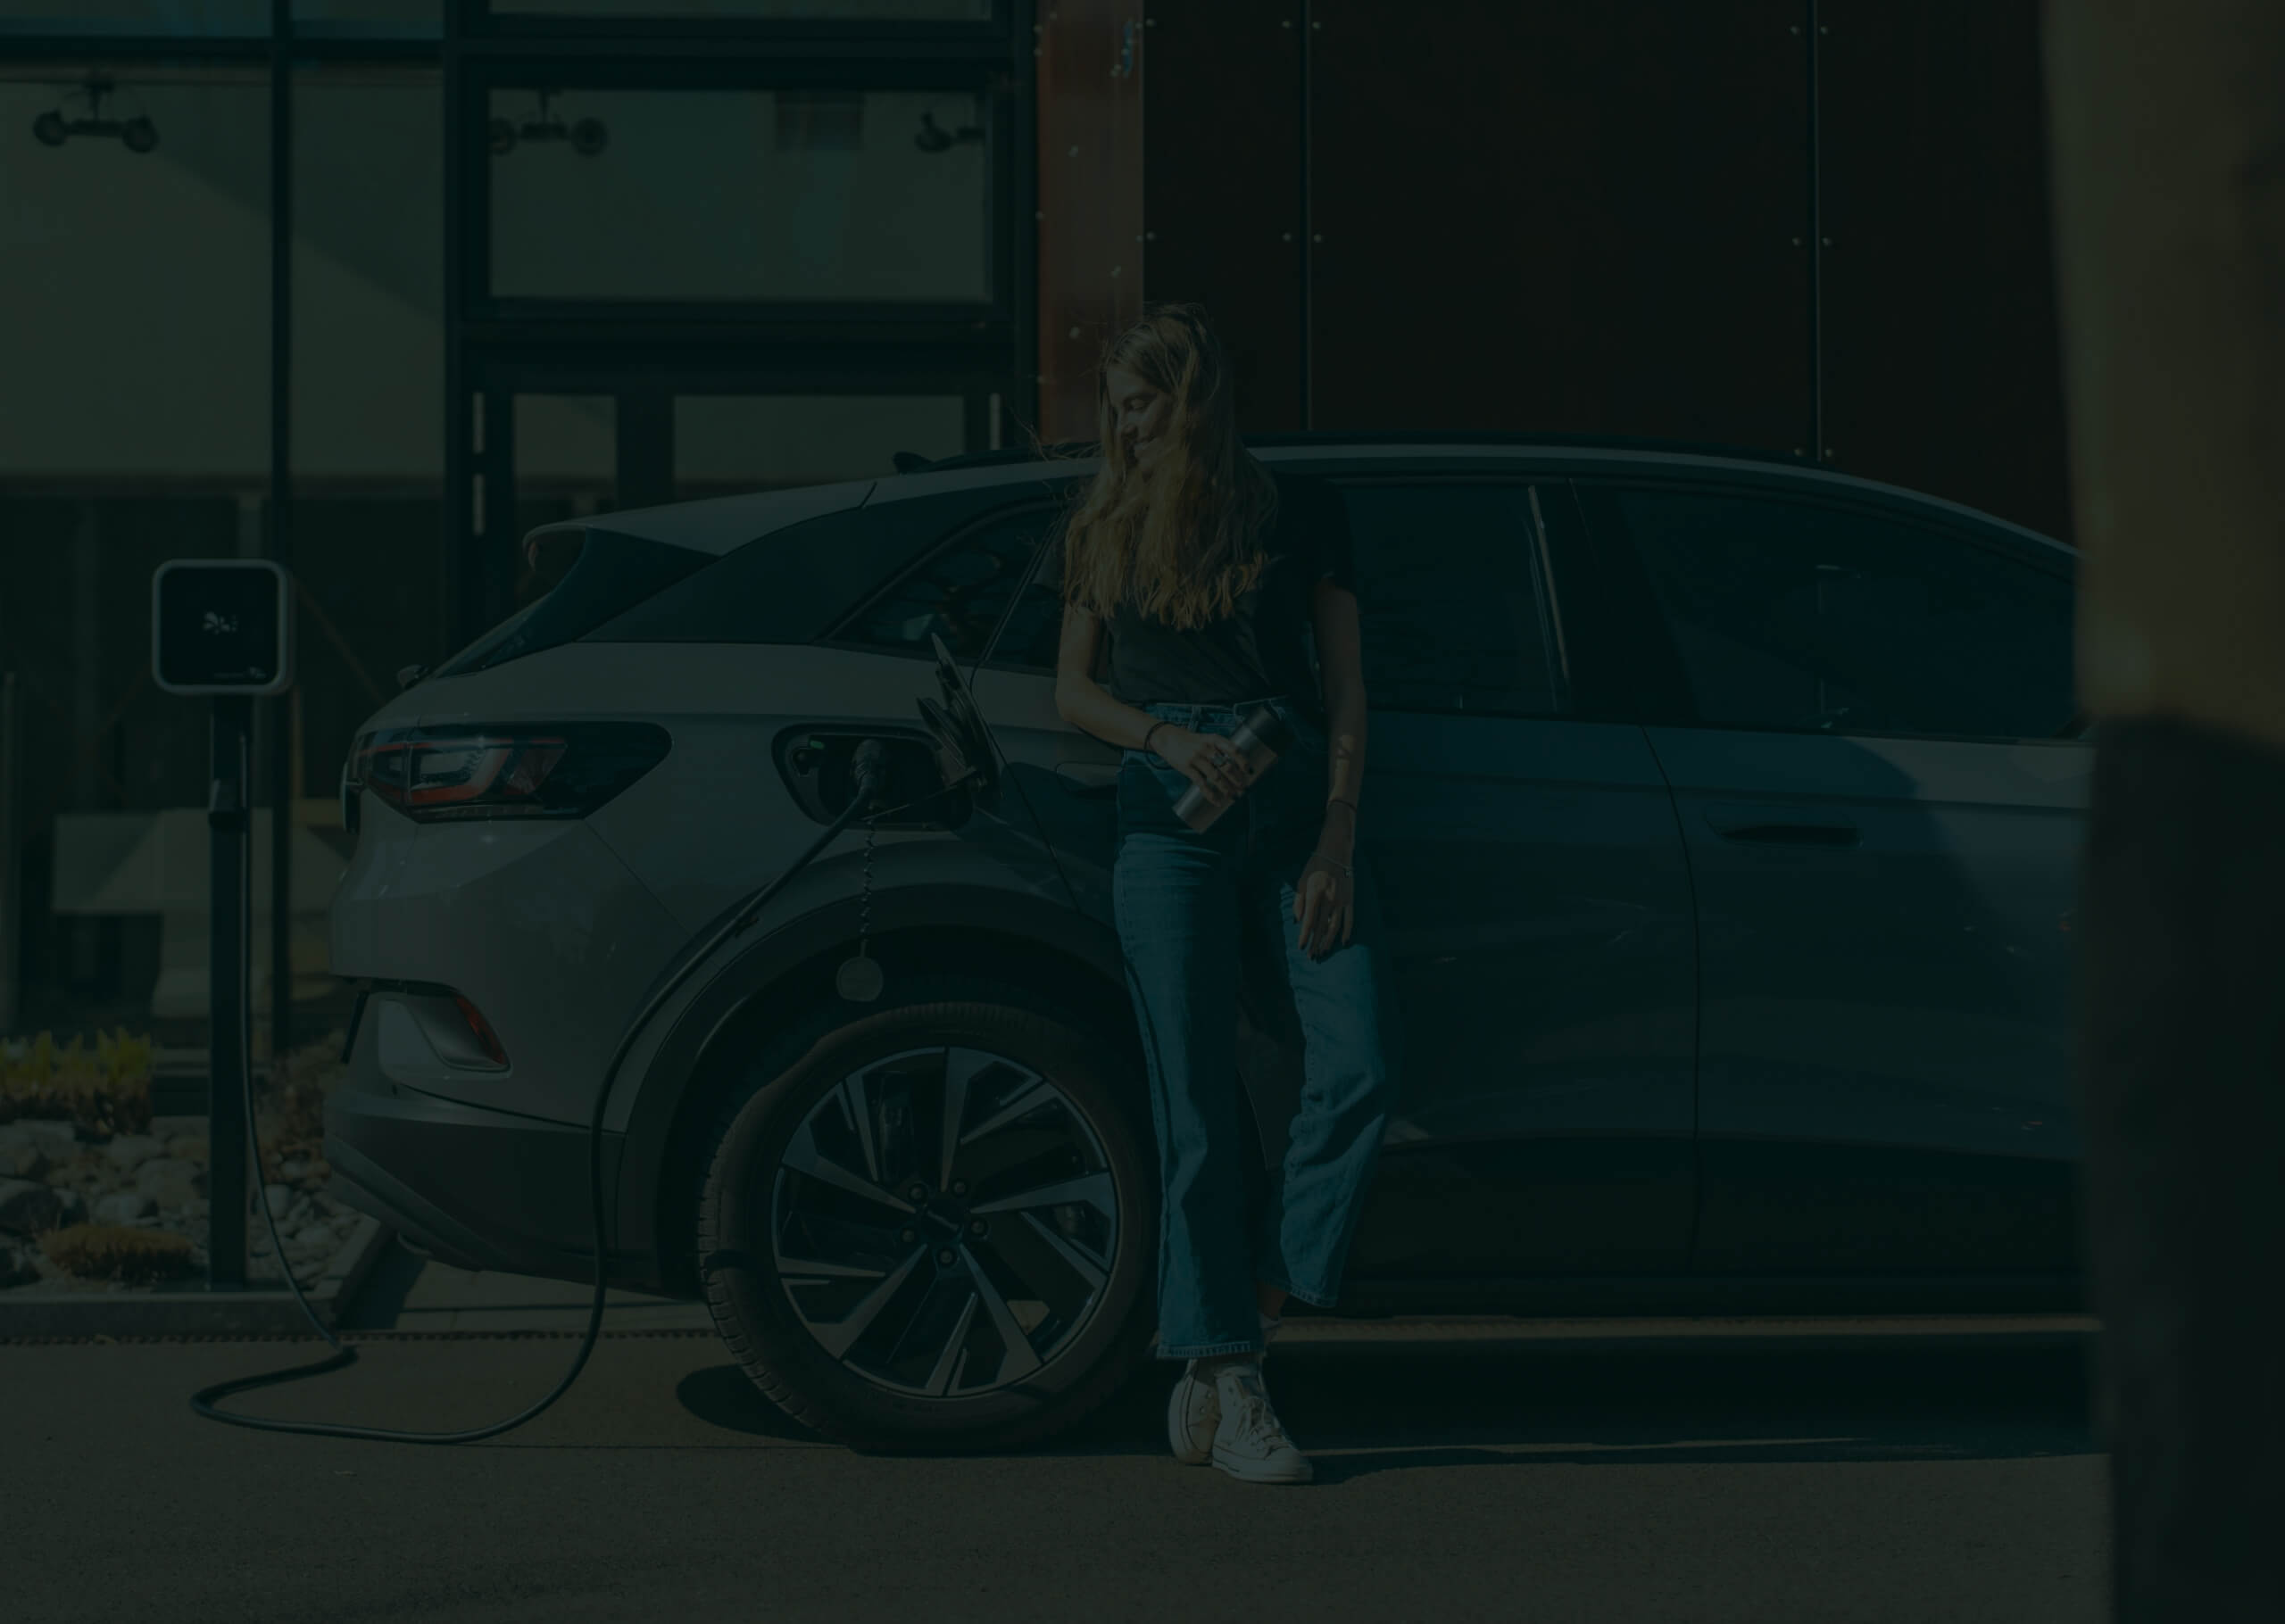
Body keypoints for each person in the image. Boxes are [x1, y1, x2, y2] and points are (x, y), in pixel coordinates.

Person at [1051, 303, 1400, 1485]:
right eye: (1116, 408)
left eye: (1141, 403)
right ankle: (1228, 1372)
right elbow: (1071, 692)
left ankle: (1248, 1314)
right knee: (1193, 1103)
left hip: (1294, 808)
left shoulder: (1297, 510)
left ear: (1192, 397)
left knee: (1360, 1066)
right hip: (1169, 815)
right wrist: (1161, 737)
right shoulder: (1103, 521)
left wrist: (1338, 837)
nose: (1124, 426)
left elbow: (1346, 688)